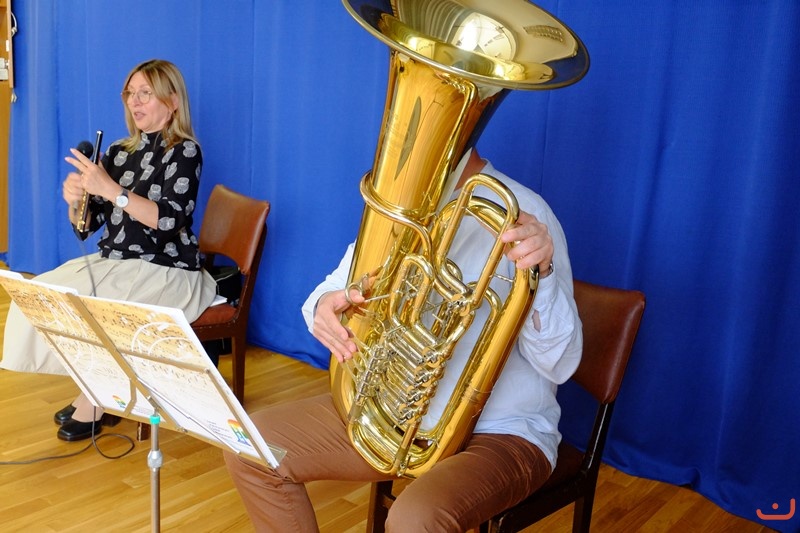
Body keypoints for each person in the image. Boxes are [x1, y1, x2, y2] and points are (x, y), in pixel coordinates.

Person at [224, 147, 583, 532]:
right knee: (249, 445)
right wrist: (325, 307)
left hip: (502, 431)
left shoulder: (526, 213)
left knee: (415, 520)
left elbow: (560, 364)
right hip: (393, 418)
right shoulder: (399, 209)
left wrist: (543, 274)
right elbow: (332, 289)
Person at [0, 59, 217, 442]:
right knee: (41, 295)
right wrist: (76, 200)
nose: (135, 101)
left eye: (145, 93)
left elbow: (169, 220)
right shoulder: (118, 151)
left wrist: (112, 190)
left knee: (102, 311)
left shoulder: (185, 152)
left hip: (167, 269)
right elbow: (88, 225)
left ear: (172, 101)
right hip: (115, 261)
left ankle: (97, 399)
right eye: (130, 93)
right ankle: (94, 388)